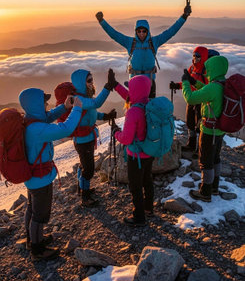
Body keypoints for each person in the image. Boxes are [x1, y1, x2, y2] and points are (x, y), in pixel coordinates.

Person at [19, 88, 83, 261]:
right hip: (40, 179)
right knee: (40, 215)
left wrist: (64, 107)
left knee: (32, 209)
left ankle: (31, 240)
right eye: (44, 102)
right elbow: (65, 129)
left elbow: (46, 118)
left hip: (32, 177)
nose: (46, 104)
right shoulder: (36, 129)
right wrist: (77, 108)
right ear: (36, 104)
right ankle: (37, 250)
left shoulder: (28, 121)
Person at [95, 3, 192, 98]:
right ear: (136, 31)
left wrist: (184, 16)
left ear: (148, 31)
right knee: (136, 107)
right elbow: (114, 34)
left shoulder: (154, 42)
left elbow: (171, 31)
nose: (141, 33)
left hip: (149, 83)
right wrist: (102, 21)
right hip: (135, 82)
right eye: (139, 31)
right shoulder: (130, 42)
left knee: (149, 109)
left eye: (144, 31)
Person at [181, 55, 228, 202]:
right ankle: (214, 186)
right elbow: (207, 91)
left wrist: (185, 83)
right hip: (219, 129)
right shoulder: (223, 83)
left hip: (208, 131)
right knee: (215, 158)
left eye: (209, 69)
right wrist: (194, 81)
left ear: (214, 69)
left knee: (205, 160)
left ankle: (205, 192)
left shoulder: (214, 87)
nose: (207, 72)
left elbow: (191, 98)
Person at [111, 73, 154, 226]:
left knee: (135, 186)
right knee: (147, 180)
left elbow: (127, 139)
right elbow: (130, 96)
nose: (129, 91)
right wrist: (116, 86)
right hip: (149, 151)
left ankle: (139, 217)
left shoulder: (133, 112)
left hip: (136, 156)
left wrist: (116, 132)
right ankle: (149, 209)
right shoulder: (148, 104)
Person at [71, 69, 116, 207]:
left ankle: (82, 187)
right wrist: (108, 87)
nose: (92, 83)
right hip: (83, 140)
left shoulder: (86, 97)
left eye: (92, 80)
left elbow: (92, 113)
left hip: (87, 138)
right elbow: (96, 104)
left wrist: (105, 116)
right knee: (89, 169)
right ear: (81, 83)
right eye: (89, 80)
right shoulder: (79, 99)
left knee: (84, 164)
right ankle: (85, 197)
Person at [170, 46, 209, 152]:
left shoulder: (206, 70)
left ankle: (200, 149)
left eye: (198, 56)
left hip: (201, 102)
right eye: (194, 55)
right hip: (191, 99)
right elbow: (186, 82)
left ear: (204, 57)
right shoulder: (192, 68)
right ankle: (191, 145)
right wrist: (177, 86)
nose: (195, 57)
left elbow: (208, 87)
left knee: (200, 126)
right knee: (190, 123)